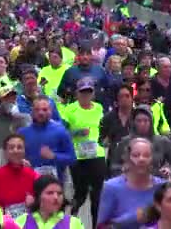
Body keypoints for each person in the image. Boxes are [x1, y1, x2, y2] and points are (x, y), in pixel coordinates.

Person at [62, 78, 106, 228]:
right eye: (83, 92)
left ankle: (96, 225)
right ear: (77, 93)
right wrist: (77, 132)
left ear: (93, 93)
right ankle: (70, 223)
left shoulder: (99, 108)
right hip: (78, 156)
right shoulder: (70, 109)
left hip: (97, 155)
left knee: (97, 195)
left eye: (89, 92)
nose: (86, 95)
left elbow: (103, 127)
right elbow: (63, 133)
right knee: (80, 195)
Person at [97, 138, 165, 228]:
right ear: (127, 158)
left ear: (152, 159)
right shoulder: (111, 187)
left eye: (146, 155)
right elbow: (101, 226)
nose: (141, 159)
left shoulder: (163, 187)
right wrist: (131, 219)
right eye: (136, 155)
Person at [109, 105, 171, 179]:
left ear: (151, 122)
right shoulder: (125, 142)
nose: (142, 124)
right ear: (133, 122)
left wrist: (170, 169)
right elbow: (114, 166)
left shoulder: (162, 141)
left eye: (146, 121)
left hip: (156, 183)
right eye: (139, 121)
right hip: (131, 183)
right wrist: (122, 169)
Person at [18, 96, 76, 181]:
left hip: (55, 184)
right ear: (32, 112)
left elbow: (72, 158)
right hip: (30, 182)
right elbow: (16, 158)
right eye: (37, 110)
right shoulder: (22, 133)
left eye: (44, 109)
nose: (41, 113)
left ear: (51, 111)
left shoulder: (61, 131)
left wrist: (54, 156)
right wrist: (20, 161)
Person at [0, 134, 39, 219]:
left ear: (24, 151)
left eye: (19, 147)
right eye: (11, 148)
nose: (16, 151)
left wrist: (35, 202)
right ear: (5, 152)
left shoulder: (33, 175)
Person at [14, 175, 85, 229]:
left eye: (59, 193)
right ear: (38, 197)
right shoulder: (21, 221)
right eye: (50, 193)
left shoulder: (74, 223)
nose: (56, 197)